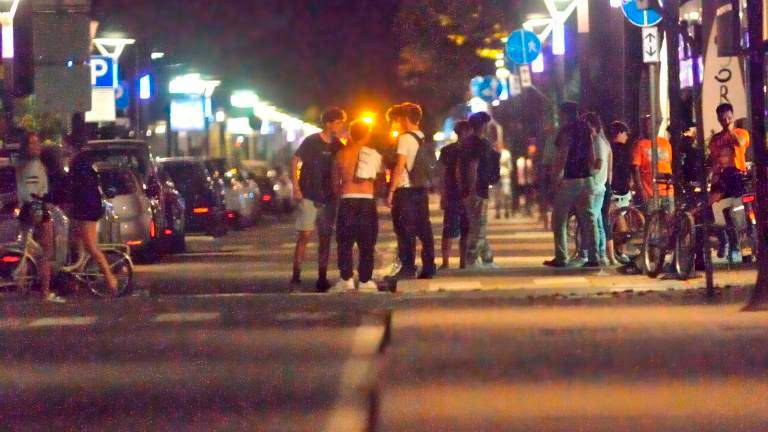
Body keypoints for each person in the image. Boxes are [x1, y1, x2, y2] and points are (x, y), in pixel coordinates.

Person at [290, 107, 346, 291]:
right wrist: (296, 186)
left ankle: (322, 277)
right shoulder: (311, 141)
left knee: (325, 237)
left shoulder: (338, 145)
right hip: (309, 193)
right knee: (305, 235)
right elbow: (295, 160)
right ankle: (296, 275)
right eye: (338, 122)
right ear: (328, 123)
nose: (340, 125)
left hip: (329, 197)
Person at [544, 102, 598, 267]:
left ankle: (561, 256)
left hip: (570, 180)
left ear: (564, 114)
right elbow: (592, 155)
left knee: (559, 218)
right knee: (588, 219)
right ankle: (594, 257)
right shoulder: (585, 129)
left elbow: (563, 154)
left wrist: (555, 177)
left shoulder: (566, 131)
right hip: (586, 178)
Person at [330, 120, 381, 293]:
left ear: (351, 134)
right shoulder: (372, 154)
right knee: (367, 242)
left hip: (347, 199)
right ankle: (365, 280)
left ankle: (346, 279)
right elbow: (378, 179)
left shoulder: (341, 154)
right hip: (366, 199)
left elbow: (335, 183)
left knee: (345, 242)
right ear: (367, 134)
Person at [386, 102, 436, 281]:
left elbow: (399, 166)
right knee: (424, 228)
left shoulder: (404, 138)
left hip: (406, 190)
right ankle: (429, 266)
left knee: (405, 230)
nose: (397, 122)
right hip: (420, 189)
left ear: (405, 118)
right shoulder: (422, 137)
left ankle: (407, 267)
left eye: (398, 119)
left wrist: (391, 191)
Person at [15, 132, 65, 303]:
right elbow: (32, 192)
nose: (36, 146)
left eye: (38, 143)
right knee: (46, 253)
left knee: (33, 250)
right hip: (35, 208)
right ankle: (45, 292)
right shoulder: (33, 166)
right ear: (26, 147)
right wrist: (39, 211)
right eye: (32, 143)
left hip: (29, 209)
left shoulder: (24, 165)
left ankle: (28, 282)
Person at [67, 135, 119, 296]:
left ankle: (110, 278)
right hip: (87, 208)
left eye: (66, 146)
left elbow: (76, 188)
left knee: (90, 246)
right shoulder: (84, 163)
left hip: (86, 209)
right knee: (77, 242)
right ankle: (79, 277)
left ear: (72, 147)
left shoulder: (78, 164)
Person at [459, 112, 500, 269]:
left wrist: (465, 187)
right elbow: (473, 166)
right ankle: (472, 258)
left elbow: (461, 168)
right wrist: (473, 188)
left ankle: (487, 258)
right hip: (477, 189)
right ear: (483, 125)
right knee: (480, 225)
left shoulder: (466, 143)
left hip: (468, 189)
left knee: (476, 224)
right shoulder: (481, 143)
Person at [438, 120, 471, 269]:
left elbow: (442, 174)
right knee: (465, 228)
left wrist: (443, 194)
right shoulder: (469, 150)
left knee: (449, 229)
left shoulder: (447, 150)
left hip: (452, 193)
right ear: (464, 132)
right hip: (463, 194)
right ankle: (462, 262)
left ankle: (446, 262)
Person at [584, 113, 612, 267]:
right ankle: (601, 254)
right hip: (597, 185)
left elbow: (599, 163)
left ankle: (598, 254)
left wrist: (588, 172)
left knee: (593, 219)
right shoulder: (596, 142)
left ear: (593, 125)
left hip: (596, 185)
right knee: (598, 220)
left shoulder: (598, 143)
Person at [632, 116, 674, 212]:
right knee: (652, 220)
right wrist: (641, 190)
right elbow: (636, 169)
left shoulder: (665, 143)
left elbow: (669, 163)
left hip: (667, 190)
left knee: (669, 221)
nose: (650, 128)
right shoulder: (640, 145)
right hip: (650, 191)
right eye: (647, 126)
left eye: (652, 125)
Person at [608, 121, 632, 264]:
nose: (627, 136)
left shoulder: (618, 149)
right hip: (616, 192)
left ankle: (619, 250)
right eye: (625, 133)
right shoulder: (616, 150)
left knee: (620, 225)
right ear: (619, 133)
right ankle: (620, 252)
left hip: (622, 191)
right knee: (621, 226)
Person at [494, 142, 513, 219]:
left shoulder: (506, 154)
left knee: (506, 194)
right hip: (496, 176)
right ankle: (498, 212)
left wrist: (509, 174)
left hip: (505, 175)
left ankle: (507, 211)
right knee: (497, 195)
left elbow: (509, 165)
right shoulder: (493, 153)